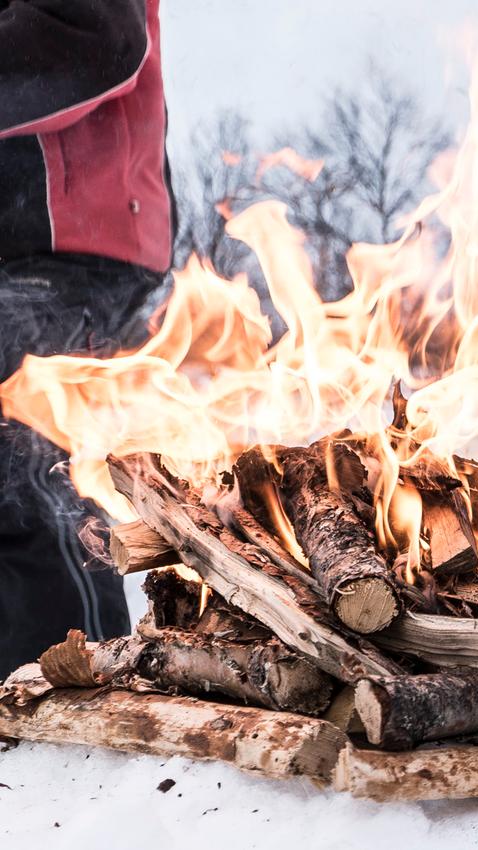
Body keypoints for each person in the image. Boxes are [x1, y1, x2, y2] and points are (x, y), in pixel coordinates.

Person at [0, 0, 173, 674]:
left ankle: (81, 703)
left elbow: (97, 38)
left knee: (29, 485)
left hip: (70, 241)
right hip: (27, 248)